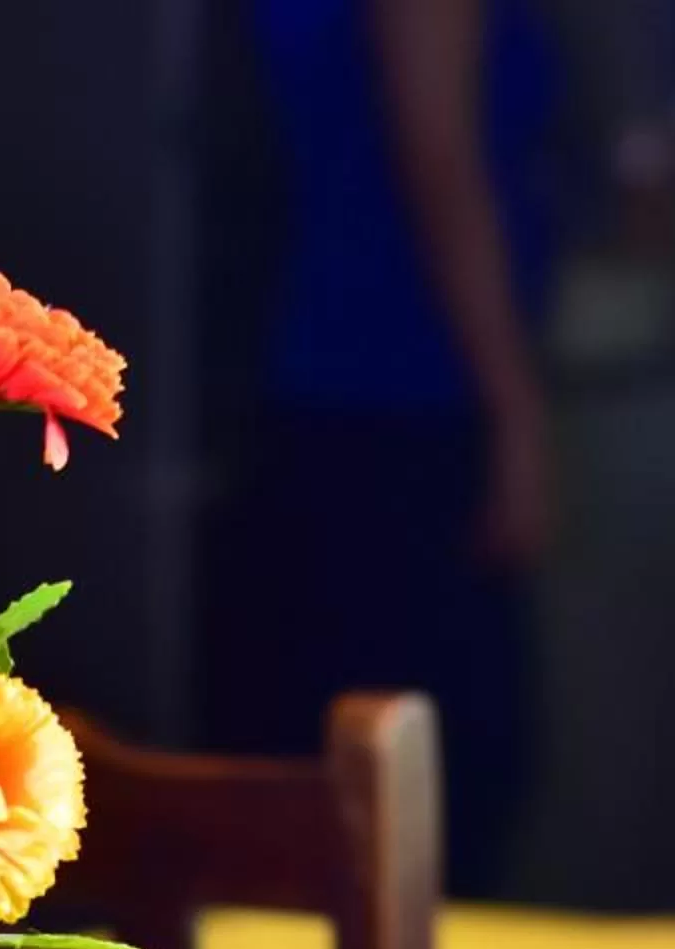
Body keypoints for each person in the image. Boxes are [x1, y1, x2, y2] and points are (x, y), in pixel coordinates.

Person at [207, 0, 561, 894]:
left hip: (335, 389)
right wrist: (516, 413)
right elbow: (438, 163)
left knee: (367, 784)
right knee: (439, 789)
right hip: (396, 394)